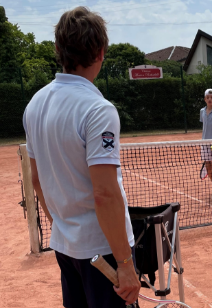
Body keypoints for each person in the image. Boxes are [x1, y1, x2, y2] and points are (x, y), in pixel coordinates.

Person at [22, 7, 140, 308]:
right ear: (100, 52)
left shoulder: (34, 105)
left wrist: (63, 227)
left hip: (65, 247)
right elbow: (104, 194)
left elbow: (36, 180)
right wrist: (125, 264)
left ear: (58, 49)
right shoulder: (98, 110)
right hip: (103, 252)